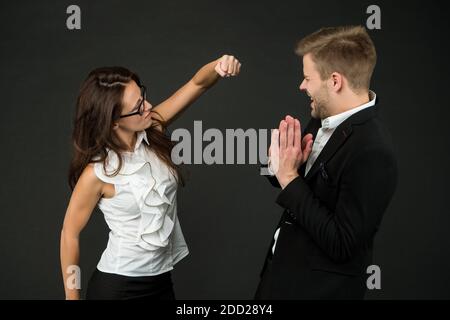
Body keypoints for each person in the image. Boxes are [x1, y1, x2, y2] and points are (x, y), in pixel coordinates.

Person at [60, 55, 241, 300]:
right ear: (113, 123)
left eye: (142, 96)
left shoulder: (153, 127)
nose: (148, 106)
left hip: (162, 283)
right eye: (137, 107)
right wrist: (72, 298)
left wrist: (219, 66)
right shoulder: (97, 172)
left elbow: (198, 84)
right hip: (117, 288)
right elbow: (69, 233)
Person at [255, 25, 398, 299]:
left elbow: (342, 243)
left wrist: (289, 178)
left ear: (334, 81)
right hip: (278, 278)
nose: (302, 85)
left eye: (307, 78)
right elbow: (291, 179)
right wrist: (281, 163)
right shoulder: (323, 116)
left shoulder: (374, 151)